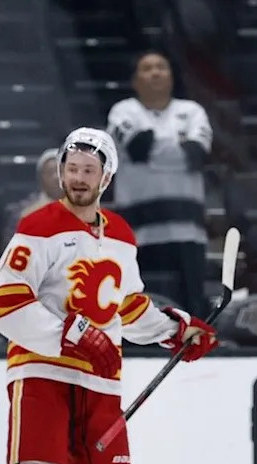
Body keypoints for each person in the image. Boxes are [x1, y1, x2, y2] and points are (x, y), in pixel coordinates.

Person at [0, 127, 218, 464]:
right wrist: (70, 334)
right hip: (44, 373)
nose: (78, 176)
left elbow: (128, 306)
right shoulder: (38, 227)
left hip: (100, 383)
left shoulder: (121, 235)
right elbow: (4, 302)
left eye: (90, 169)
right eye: (72, 166)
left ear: (106, 177)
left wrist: (177, 331)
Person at [107, 50, 213, 316]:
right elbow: (137, 148)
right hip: (139, 233)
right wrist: (176, 146)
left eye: (161, 67)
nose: (155, 72)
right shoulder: (122, 111)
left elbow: (196, 155)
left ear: (171, 76)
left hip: (187, 233)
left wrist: (154, 147)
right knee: (138, 308)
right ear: (135, 80)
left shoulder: (192, 111)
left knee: (193, 310)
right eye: (147, 68)